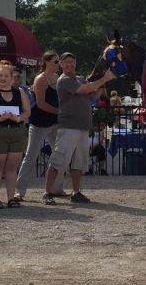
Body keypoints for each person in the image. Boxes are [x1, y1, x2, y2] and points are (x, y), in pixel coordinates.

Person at [42, 52, 115, 205]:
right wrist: (105, 78)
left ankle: (76, 192)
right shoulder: (64, 80)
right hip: (68, 126)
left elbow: (94, 93)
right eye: (65, 62)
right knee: (58, 160)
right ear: (60, 65)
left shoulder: (80, 78)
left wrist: (102, 82)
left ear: (75, 63)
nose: (69, 64)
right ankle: (47, 192)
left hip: (82, 127)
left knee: (79, 162)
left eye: (71, 61)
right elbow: (85, 89)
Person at [15, 51, 67, 200]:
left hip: (54, 122)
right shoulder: (40, 79)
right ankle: (20, 191)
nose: (58, 64)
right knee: (31, 156)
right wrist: (59, 112)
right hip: (39, 123)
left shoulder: (57, 78)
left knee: (59, 155)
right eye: (56, 62)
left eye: (59, 62)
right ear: (47, 62)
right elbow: (41, 104)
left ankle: (56, 188)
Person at [0, 62, 30, 208]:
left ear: (11, 77)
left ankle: (11, 198)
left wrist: (18, 118)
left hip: (16, 133)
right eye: (0, 75)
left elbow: (27, 111)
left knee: (11, 168)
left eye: (6, 76)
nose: (3, 78)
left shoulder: (19, 92)